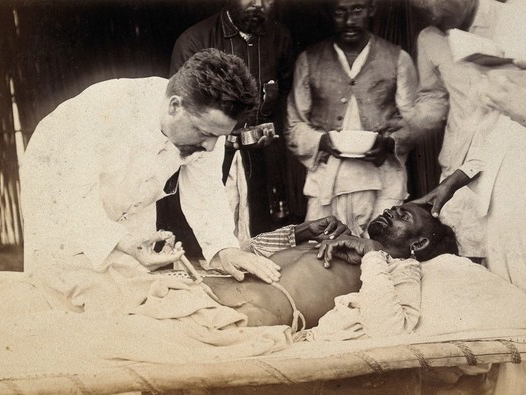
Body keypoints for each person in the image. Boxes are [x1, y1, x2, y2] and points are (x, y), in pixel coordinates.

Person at [20, 48, 281, 285]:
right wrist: (120, 241)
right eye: (204, 133)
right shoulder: (101, 110)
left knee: (133, 286)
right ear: (174, 106)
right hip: (55, 190)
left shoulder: (206, 128)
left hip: (131, 206)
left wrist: (224, 249)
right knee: (62, 285)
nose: (211, 147)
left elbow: (207, 192)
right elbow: (72, 198)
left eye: (219, 136)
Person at [413, 2, 526, 393]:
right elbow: (493, 136)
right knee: (516, 324)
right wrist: (452, 182)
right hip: (503, 213)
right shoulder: (483, 38)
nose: (493, 93)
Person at [158, 0, 294, 256]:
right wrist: (223, 137)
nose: (258, 4)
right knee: (202, 240)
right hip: (203, 161)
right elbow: (183, 118)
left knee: (255, 234)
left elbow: (283, 92)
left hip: (257, 161)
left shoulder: (280, 38)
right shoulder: (194, 41)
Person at [204, 203, 458, 334]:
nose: (390, 212)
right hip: (210, 287)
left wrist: (372, 253)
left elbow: (392, 328)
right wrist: (301, 232)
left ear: (420, 242)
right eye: (393, 209)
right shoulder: (343, 240)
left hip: (244, 317)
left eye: (403, 216)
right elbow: (237, 255)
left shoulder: (399, 268)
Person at [285, 0, 418, 238]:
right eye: (339, 11)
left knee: (378, 254)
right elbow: (294, 125)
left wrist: (390, 144)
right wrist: (321, 141)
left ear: (372, 9)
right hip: (327, 181)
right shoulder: (309, 60)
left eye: (357, 9)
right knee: (321, 256)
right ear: (328, 13)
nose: (349, 21)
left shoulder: (398, 58)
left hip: (383, 181)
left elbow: (414, 121)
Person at [408, 0, 506, 260]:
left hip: (506, 166)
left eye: (433, 5)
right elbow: (433, 97)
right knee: (460, 257)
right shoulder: (429, 37)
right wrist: (407, 124)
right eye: (420, 9)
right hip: (456, 163)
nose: (430, 16)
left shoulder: (508, 20)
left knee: (507, 261)